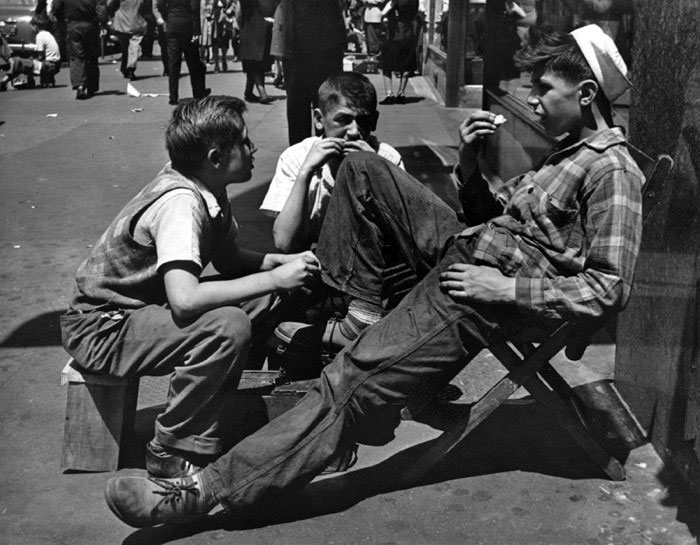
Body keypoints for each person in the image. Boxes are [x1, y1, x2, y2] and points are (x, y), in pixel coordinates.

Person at [104, 24, 645, 529]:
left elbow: (610, 288)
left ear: (588, 94)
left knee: (351, 380)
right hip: (469, 252)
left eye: (544, 88)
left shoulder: (611, 170)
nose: (531, 100)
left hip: (483, 293)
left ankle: (202, 493)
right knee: (362, 168)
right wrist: (471, 167)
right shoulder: (566, 154)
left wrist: (503, 289)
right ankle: (356, 313)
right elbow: (494, 222)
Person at [61, 95, 321, 483]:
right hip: (102, 329)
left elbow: (229, 259)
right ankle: (172, 447)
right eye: (245, 143)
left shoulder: (205, 188)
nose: (253, 150)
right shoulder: (181, 203)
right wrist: (274, 278)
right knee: (228, 326)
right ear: (216, 158)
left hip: (136, 314)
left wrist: (276, 265)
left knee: (263, 294)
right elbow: (184, 302)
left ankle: (219, 401)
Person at [260, 72, 403, 253]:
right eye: (343, 120)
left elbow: (401, 236)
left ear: (374, 121)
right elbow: (284, 242)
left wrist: (376, 172)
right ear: (319, 120)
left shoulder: (388, 158)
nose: (353, 131)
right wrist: (306, 172)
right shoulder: (296, 157)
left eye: (362, 121)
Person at [271, 0, 346, 144]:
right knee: (326, 103)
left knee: (305, 106)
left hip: (305, 45)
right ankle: (327, 150)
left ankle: (308, 153)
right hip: (320, 45)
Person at [155, 0, 210, 105]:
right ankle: (198, 93)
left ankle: (173, 96)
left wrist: (168, 16)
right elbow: (194, 9)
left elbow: (160, 4)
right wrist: (196, 31)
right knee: (193, 62)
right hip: (187, 25)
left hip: (172, 25)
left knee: (173, 63)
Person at [52, 0, 107, 99]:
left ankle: (80, 85)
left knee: (76, 55)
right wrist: (102, 23)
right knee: (91, 55)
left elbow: (56, 7)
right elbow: (101, 9)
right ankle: (92, 85)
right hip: (90, 24)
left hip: (72, 24)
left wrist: (61, 21)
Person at [0, 16, 61, 91]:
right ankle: (46, 80)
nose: (31, 29)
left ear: (35, 26)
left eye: (31, 27)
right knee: (26, 62)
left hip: (48, 66)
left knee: (18, 62)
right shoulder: (48, 34)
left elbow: (40, 57)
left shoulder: (40, 36)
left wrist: (29, 61)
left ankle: (4, 81)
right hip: (55, 66)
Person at [378, 0, 419, 105]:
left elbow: (383, 13)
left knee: (387, 65)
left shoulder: (393, 2)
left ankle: (389, 95)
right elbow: (417, 14)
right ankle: (401, 93)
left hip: (393, 35)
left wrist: (384, 17)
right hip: (408, 34)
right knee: (406, 65)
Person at [238, 0, 275, 104]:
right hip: (256, 29)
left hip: (251, 29)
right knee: (256, 62)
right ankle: (262, 92)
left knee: (254, 61)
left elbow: (239, 13)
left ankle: (248, 92)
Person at [109, 0, 148, 80]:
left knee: (124, 48)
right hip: (136, 22)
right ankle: (131, 68)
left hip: (121, 22)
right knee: (134, 46)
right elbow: (145, 8)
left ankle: (124, 68)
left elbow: (111, 5)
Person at [211, 0, 237, 73]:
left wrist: (231, 9)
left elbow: (234, 3)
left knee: (224, 43)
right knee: (215, 43)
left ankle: (224, 58)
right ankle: (216, 64)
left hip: (226, 21)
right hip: (215, 20)